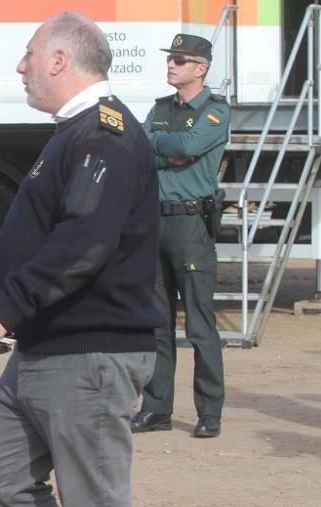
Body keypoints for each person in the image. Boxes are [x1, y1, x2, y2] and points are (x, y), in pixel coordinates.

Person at [0, 13, 162, 507]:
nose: (19, 67)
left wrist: (5, 308)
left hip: (89, 353)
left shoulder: (107, 135)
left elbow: (86, 241)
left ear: (58, 60)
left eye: (27, 55)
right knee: (3, 479)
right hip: (46, 350)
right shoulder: (71, 134)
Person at [130, 34, 228, 439]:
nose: (171, 64)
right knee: (157, 323)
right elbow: (136, 145)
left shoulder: (215, 110)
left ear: (201, 68)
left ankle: (209, 413)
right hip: (155, 223)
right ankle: (157, 409)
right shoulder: (159, 107)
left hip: (189, 225)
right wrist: (169, 151)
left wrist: (165, 147)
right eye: (170, 58)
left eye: (180, 60)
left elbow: (191, 145)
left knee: (200, 327)